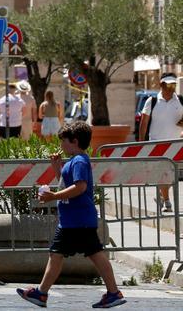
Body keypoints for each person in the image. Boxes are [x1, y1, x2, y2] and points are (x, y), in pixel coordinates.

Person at [16, 121, 125, 309]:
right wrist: (57, 167)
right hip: (73, 220)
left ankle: (43, 293)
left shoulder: (80, 161)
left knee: (79, 254)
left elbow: (80, 187)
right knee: (65, 254)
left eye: (63, 141)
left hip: (78, 220)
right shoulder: (75, 161)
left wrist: (53, 196)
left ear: (74, 141)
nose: (61, 145)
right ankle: (42, 293)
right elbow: (67, 184)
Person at [138, 73, 183, 213]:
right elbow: (144, 123)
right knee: (164, 173)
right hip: (156, 144)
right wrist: (140, 144)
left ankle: (161, 193)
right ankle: (167, 201)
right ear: (161, 85)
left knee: (171, 175)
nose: (171, 88)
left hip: (176, 144)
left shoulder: (181, 101)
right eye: (168, 85)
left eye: (173, 85)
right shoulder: (151, 101)